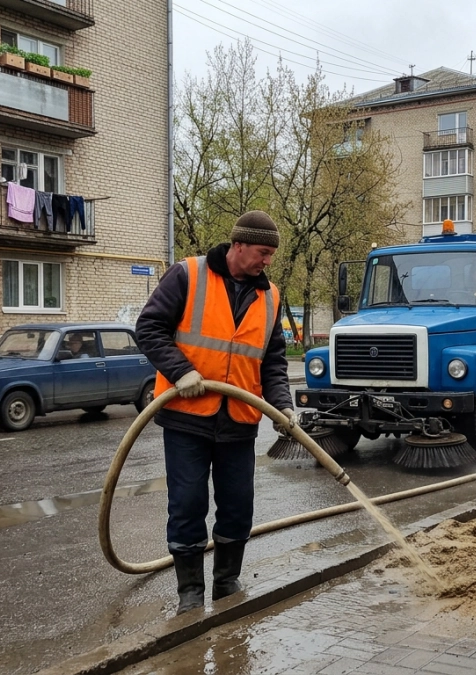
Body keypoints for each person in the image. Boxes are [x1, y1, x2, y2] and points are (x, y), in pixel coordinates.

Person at [135, 211, 294, 615]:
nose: (267, 261)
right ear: (238, 246)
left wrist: (283, 406)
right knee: (187, 503)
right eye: (262, 252)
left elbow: (272, 362)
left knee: (238, 505)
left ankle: (226, 583)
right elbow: (149, 328)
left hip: (240, 420)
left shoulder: (270, 296)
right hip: (188, 415)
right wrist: (181, 371)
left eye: (272, 254)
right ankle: (190, 592)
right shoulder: (188, 275)